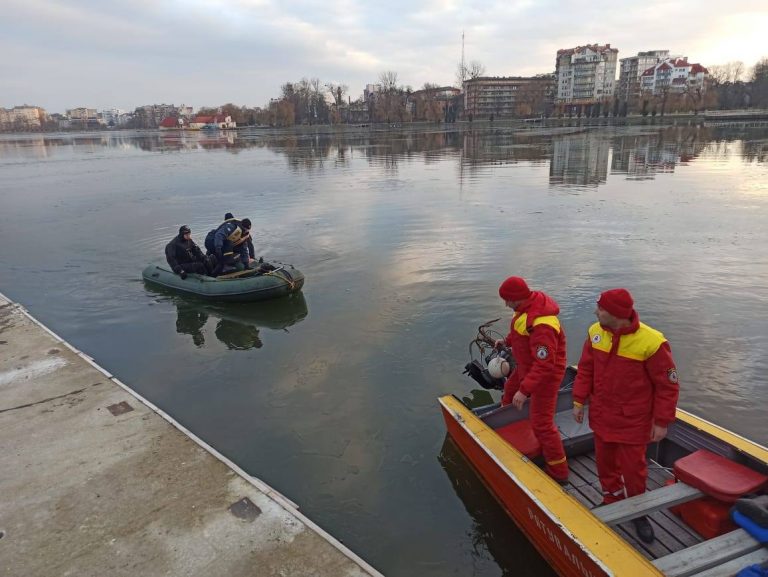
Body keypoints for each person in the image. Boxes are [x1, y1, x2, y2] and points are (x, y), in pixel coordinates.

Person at [572, 288, 680, 544]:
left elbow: (668, 386)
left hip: (634, 421)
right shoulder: (595, 333)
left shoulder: (651, 343)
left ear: (616, 314)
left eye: (600, 308)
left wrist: (662, 421)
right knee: (605, 463)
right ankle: (611, 498)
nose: (595, 311)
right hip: (602, 416)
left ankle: (637, 512)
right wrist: (578, 400)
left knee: (634, 470)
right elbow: (586, 369)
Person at [494, 276, 569, 484]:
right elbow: (521, 332)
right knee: (509, 389)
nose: (506, 304)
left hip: (546, 376)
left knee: (542, 423)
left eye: (507, 300)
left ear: (516, 298)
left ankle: (558, 471)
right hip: (527, 366)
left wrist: (525, 390)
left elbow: (545, 365)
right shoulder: (526, 308)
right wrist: (507, 341)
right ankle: (507, 430)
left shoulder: (543, 324)